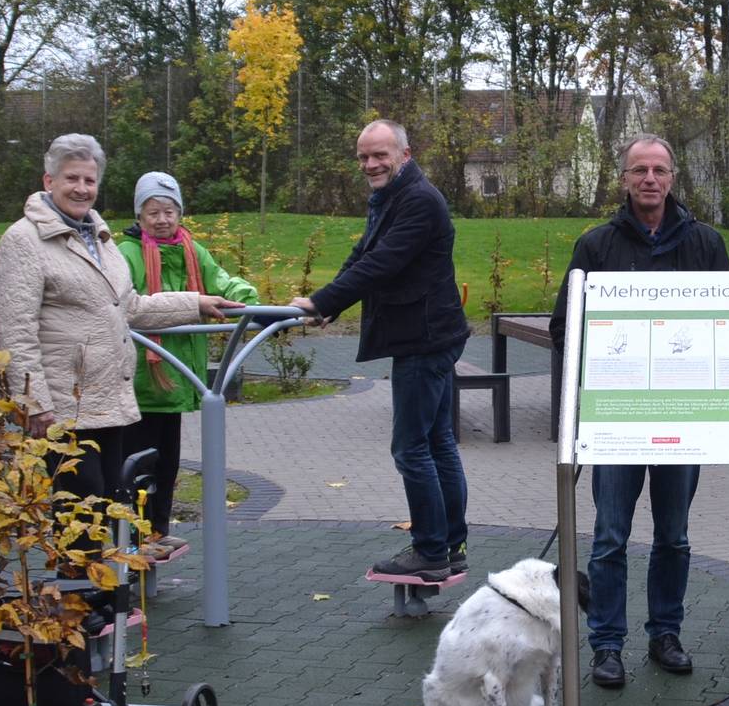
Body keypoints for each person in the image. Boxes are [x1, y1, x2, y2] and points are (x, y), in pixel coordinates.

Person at [549, 134, 729, 689]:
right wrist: (575, 418)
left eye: (658, 170)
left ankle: (664, 634)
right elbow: (566, 330)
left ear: (673, 177)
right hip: (617, 422)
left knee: (673, 537)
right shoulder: (596, 246)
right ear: (624, 179)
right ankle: (606, 644)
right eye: (638, 170)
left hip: (681, 418)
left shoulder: (704, 243)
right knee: (609, 539)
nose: (649, 179)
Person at [0, 135, 238, 504]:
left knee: (107, 510)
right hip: (64, 408)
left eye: (89, 181)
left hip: (108, 403)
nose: (81, 189)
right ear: (49, 181)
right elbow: (15, 331)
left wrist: (196, 302)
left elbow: (130, 307)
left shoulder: (99, 237)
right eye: (71, 179)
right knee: (79, 517)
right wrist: (35, 403)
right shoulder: (25, 240)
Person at [291, 120, 472, 580]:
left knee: (412, 449)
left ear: (404, 155)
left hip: (425, 339)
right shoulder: (393, 196)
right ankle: (450, 544)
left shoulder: (419, 200)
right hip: (429, 334)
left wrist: (321, 301)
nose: (371, 164)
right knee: (437, 443)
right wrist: (327, 305)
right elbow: (364, 252)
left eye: (380, 155)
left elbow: (383, 263)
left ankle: (431, 548)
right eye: (364, 157)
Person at [114, 171, 259, 559]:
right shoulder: (127, 254)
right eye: (153, 212)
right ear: (139, 217)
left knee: (168, 462)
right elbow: (128, 303)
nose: (162, 220)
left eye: (169, 211)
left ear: (180, 214)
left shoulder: (192, 250)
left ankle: (156, 530)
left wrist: (248, 298)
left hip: (178, 375)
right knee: (137, 462)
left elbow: (221, 280)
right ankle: (131, 535)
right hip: (144, 378)